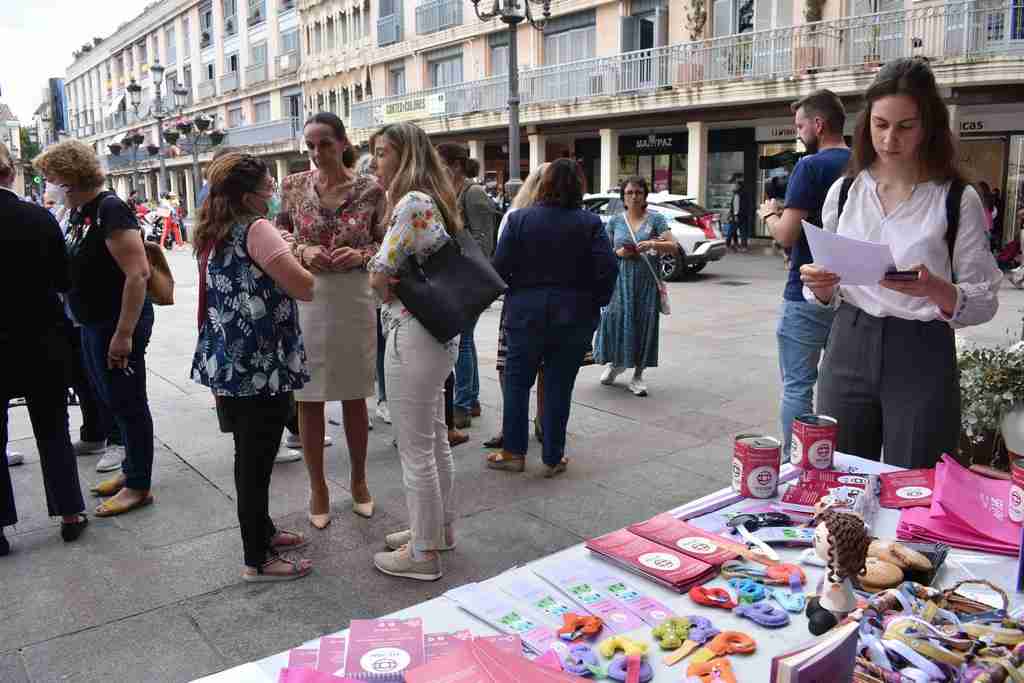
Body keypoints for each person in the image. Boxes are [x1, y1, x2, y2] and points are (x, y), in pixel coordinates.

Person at [800, 57, 1002, 468]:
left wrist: (936, 288)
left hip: (921, 349)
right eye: (880, 124)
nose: (890, 138)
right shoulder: (845, 191)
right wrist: (820, 286)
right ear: (866, 123)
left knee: (917, 482)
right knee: (840, 472)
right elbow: (828, 291)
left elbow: (984, 301)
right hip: (849, 340)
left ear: (928, 126)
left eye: (905, 126)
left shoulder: (955, 198)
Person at [191, 153, 314, 582]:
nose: (274, 194)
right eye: (268, 189)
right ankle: (257, 558)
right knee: (255, 461)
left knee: (252, 454)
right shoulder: (257, 229)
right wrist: (298, 254)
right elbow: (303, 286)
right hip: (260, 362)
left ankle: (263, 531)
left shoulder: (213, 229)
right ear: (249, 197)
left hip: (228, 359)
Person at [34, 140, 157, 517]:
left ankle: (139, 485)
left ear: (70, 175)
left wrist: (123, 334)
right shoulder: (79, 212)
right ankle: (130, 470)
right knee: (111, 398)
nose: (47, 185)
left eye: (49, 177)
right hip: (91, 321)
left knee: (128, 400)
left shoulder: (110, 209)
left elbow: (137, 274)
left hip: (116, 321)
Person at [277, 113, 386, 529]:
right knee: (309, 396)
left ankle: (359, 480)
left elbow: (385, 243)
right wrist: (303, 252)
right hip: (308, 296)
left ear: (343, 143)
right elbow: (280, 233)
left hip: (354, 297)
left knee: (355, 394)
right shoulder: (293, 186)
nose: (316, 152)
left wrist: (361, 255)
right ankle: (318, 486)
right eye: (310, 145)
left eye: (324, 143)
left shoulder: (372, 190)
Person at [367, 122, 462, 581]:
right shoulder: (433, 199)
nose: (375, 162)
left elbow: (379, 272)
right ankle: (436, 531)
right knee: (434, 438)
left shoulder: (411, 202)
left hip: (412, 332)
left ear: (405, 156)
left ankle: (424, 554)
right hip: (436, 335)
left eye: (383, 153)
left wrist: (378, 276)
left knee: (415, 447)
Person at [490, 159, 618, 476]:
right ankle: (552, 456)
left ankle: (513, 453)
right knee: (560, 387)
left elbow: (499, 267)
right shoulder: (589, 224)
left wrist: (517, 292)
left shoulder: (519, 220)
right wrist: (593, 301)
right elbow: (609, 269)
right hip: (573, 317)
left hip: (524, 315)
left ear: (544, 184)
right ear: (579, 187)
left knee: (518, 385)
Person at [0, 142, 88, 557]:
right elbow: (62, 279)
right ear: (9, 172)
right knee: (52, 428)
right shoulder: (37, 217)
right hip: (41, 338)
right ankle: (70, 513)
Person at [757, 90, 850, 461]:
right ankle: (839, 457)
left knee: (798, 386)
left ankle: (798, 463)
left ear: (818, 124)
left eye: (799, 126)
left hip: (808, 289)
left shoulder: (810, 167)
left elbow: (786, 235)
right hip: (855, 292)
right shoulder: (863, 164)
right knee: (840, 386)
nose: (798, 133)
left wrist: (768, 214)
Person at [483, 163, 549, 450]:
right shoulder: (517, 215)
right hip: (544, 307)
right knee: (538, 369)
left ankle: (518, 430)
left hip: (520, 303)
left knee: (512, 369)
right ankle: (540, 425)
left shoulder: (515, 216)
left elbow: (501, 264)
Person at [594, 175, 677, 397]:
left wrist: (651, 244)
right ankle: (615, 363)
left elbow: (673, 246)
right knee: (615, 320)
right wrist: (619, 253)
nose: (634, 196)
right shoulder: (615, 221)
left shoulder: (656, 219)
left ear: (645, 195)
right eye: (629, 192)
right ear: (623, 196)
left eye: (638, 192)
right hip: (620, 281)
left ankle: (638, 374)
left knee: (644, 324)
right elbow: (604, 254)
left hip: (646, 282)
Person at [436, 144, 498, 430]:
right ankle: (469, 400)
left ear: (457, 165)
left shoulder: (473, 193)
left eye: (441, 163)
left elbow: (483, 243)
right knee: (466, 341)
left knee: (461, 342)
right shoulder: (453, 192)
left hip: (470, 278)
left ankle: (462, 404)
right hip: (459, 276)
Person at [727, 175, 751, 252]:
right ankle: (742, 245)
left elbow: (736, 206)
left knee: (731, 230)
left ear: (739, 186)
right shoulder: (743, 193)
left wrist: (734, 215)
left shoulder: (738, 194)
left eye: (735, 185)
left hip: (738, 216)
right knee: (742, 231)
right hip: (743, 215)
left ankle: (728, 244)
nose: (733, 186)